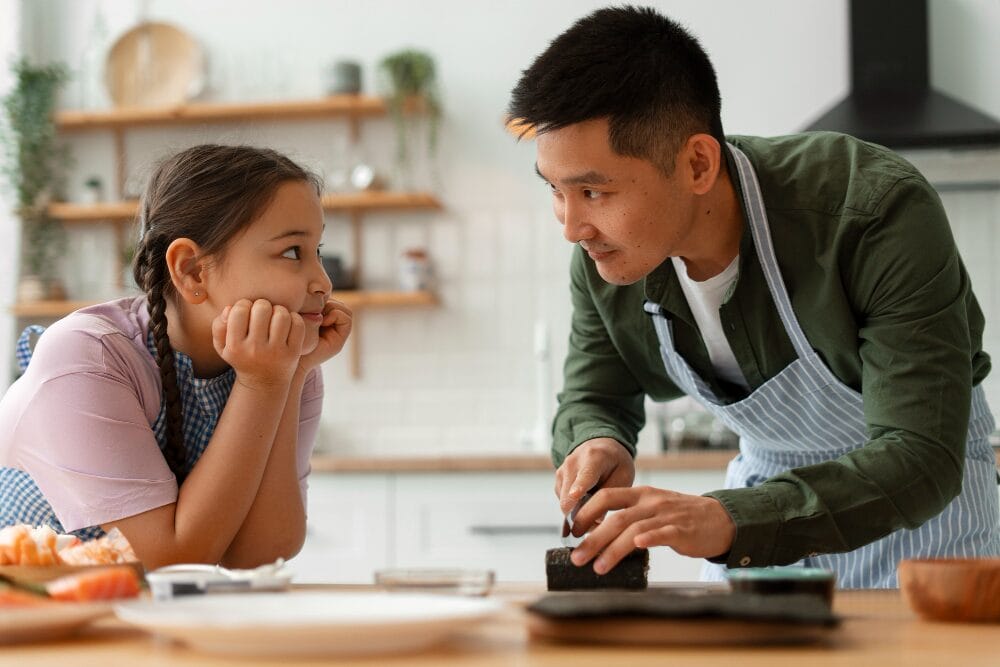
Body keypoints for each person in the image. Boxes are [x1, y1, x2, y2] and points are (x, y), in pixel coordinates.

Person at [507, 6, 999, 588]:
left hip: (922, 540)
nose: (572, 226)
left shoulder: (873, 213)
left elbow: (919, 458)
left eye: (592, 190)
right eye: (557, 193)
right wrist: (596, 441)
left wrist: (728, 519)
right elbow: (596, 390)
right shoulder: (607, 254)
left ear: (696, 163)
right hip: (759, 536)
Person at [0, 145, 352, 569]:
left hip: (128, 617)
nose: (323, 282)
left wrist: (289, 378)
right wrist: (264, 384)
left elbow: (261, 553)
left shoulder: (278, 362)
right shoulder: (89, 357)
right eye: (293, 252)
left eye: (318, 251)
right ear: (191, 270)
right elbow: (171, 559)